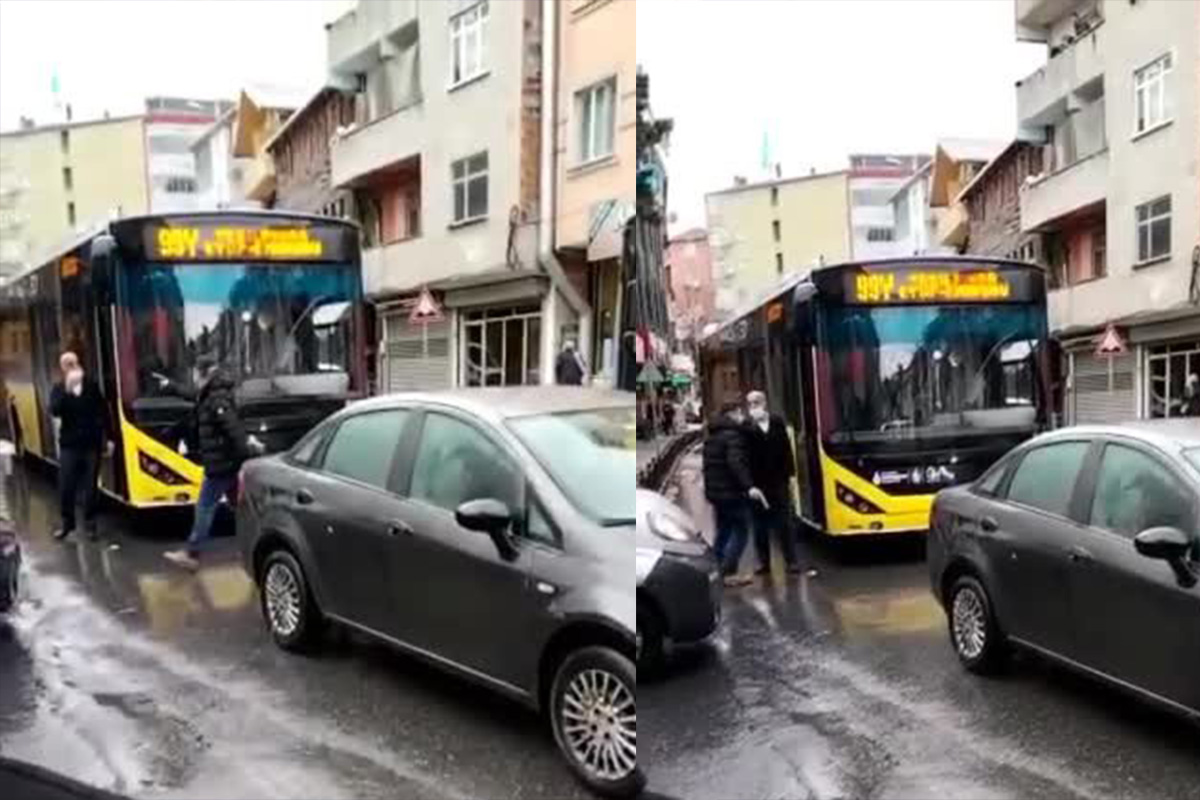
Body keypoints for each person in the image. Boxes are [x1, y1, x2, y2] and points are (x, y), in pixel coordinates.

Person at [164, 356, 263, 570]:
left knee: (205, 507)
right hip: (226, 462)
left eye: (195, 373)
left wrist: (247, 451)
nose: (193, 377)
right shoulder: (210, 393)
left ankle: (192, 554)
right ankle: (258, 544)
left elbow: (233, 428)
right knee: (242, 507)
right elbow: (193, 395)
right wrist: (171, 387)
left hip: (221, 465)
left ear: (203, 373)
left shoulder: (216, 399)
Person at [702, 401, 766, 587]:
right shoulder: (733, 436)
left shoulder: (713, 434)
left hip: (716, 492)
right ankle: (728, 572)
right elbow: (735, 462)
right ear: (732, 414)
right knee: (742, 530)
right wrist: (749, 486)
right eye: (739, 413)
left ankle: (716, 568)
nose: (741, 416)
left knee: (724, 530)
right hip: (731, 493)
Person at [50, 352, 112, 541]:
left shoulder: (91, 385)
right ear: (62, 368)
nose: (71, 366)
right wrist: (67, 390)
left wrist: (108, 438)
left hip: (91, 444)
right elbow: (55, 410)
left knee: (90, 487)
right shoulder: (59, 388)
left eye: (74, 362)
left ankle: (91, 525)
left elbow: (103, 411)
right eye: (67, 364)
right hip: (70, 445)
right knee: (66, 486)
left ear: (78, 364)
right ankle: (68, 524)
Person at [745, 390, 801, 577]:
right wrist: (748, 484)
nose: (753, 406)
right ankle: (764, 563)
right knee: (760, 526)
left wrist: (791, 474)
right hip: (758, 483)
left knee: (784, 523)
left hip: (778, 481)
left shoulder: (777, 422)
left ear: (764, 403)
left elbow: (786, 449)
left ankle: (791, 561)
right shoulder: (747, 426)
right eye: (750, 403)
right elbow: (744, 456)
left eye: (756, 402)